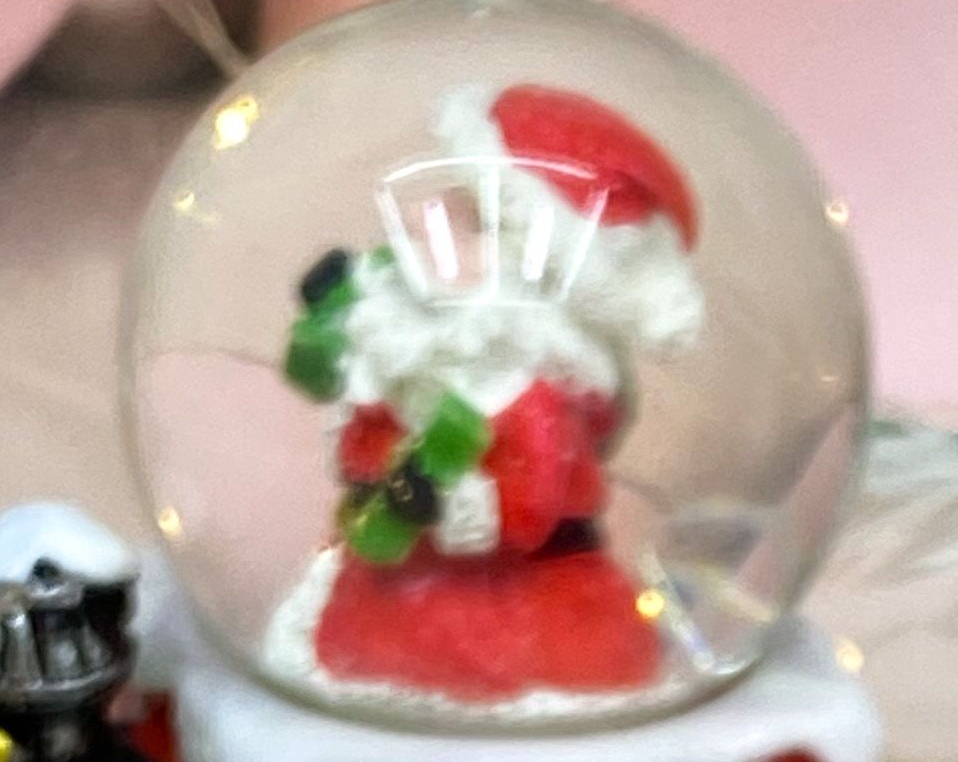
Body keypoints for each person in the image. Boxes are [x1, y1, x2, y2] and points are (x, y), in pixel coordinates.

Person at [273, 82, 705, 708]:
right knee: (361, 639)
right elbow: (361, 437)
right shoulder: (410, 363)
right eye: (447, 201)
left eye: (470, 220)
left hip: (524, 614)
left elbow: (527, 501)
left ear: (529, 277)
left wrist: (439, 494)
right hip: (389, 588)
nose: (424, 219)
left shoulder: (526, 387)